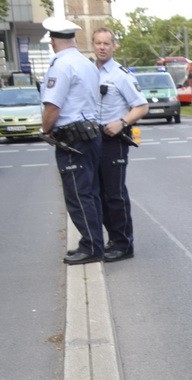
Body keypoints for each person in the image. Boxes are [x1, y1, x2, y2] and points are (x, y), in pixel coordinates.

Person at [40, 17, 104, 265]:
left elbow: (53, 106)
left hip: (72, 138)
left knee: (78, 195)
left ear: (53, 41)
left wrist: (46, 130)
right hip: (90, 133)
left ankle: (91, 246)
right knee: (90, 193)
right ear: (73, 39)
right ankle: (93, 242)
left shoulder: (60, 66)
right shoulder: (85, 63)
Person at [92, 27, 148, 262]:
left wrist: (121, 122)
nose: (102, 47)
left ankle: (124, 244)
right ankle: (112, 239)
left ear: (114, 46)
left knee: (114, 194)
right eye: (98, 43)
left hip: (113, 139)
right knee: (98, 194)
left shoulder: (120, 75)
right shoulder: (88, 72)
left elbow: (142, 106)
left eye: (107, 43)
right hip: (92, 139)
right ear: (92, 45)